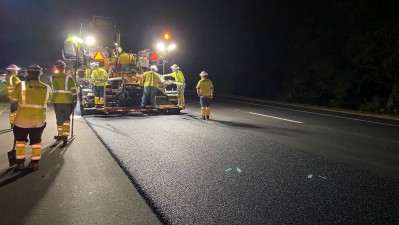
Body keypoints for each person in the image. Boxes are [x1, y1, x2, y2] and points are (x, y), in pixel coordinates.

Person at [10, 64, 52, 170]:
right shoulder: (47, 88)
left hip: (22, 120)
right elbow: (49, 102)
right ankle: (34, 163)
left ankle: (20, 163)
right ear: (40, 74)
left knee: (20, 142)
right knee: (36, 142)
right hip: (39, 120)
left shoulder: (21, 85)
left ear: (28, 73)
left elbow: (13, 100)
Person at [48, 60, 77, 140]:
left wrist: (48, 101)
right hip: (68, 102)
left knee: (59, 118)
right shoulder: (69, 78)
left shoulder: (51, 78)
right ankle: (65, 135)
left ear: (55, 68)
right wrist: (75, 100)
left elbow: (48, 90)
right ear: (64, 68)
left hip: (57, 102)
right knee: (66, 118)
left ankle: (60, 134)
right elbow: (74, 91)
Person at [5, 64, 21, 129]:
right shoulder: (14, 78)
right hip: (16, 96)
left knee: (13, 110)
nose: (17, 72)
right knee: (16, 110)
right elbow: (21, 86)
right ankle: (16, 123)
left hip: (11, 97)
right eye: (16, 70)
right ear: (12, 71)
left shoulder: (8, 77)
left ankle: (12, 123)